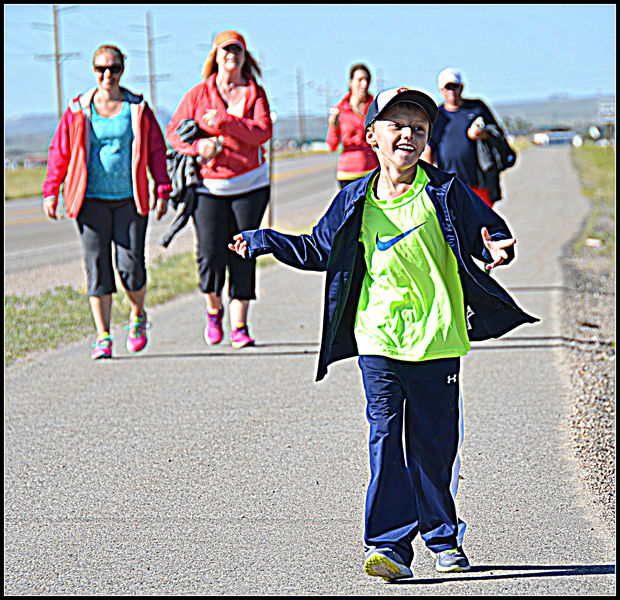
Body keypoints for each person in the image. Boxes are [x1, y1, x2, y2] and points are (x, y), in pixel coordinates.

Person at [229, 87, 539, 581]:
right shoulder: (355, 200)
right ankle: (390, 546)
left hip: (438, 336)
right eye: (396, 125)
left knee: (434, 447)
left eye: (418, 128)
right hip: (377, 338)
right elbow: (319, 248)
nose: (408, 135)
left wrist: (499, 247)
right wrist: (267, 240)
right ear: (372, 136)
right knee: (386, 439)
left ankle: (442, 534)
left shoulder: (445, 191)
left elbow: (491, 228)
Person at [42, 44, 171, 360]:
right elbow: (60, 152)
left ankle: (137, 315)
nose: (107, 75)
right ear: (93, 70)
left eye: (113, 68)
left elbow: (156, 150)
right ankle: (103, 335)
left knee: (131, 267)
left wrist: (163, 188)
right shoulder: (78, 109)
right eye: (101, 68)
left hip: (130, 199)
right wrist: (51, 189)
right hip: (90, 201)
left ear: (122, 70)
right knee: (97, 267)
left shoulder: (137, 108)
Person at [166, 30, 272, 349]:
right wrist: (198, 146)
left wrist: (225, 123)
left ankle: (240, 326)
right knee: (210, 254)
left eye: (237, 50)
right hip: (208, 188)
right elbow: (173, 133)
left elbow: (262, 133)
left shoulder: (254, 93)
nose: (231, 55)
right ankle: (214, 310)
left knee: (243, 251)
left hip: (251, 184)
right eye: (226, 50)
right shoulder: (199, 93)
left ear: (244, 55)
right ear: (215, 55)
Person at [421, 68, 509, 207]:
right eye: (447, 88)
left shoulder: (477, 108)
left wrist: (483, 135)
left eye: (454, 86)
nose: (452, 92)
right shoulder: (437, 116)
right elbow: (429, 148)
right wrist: (432, 180)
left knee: (483, 223)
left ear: (461, 87)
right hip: (449, 185)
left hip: (479, 182)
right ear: (441, 90)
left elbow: (498, 135)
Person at [326, 63, 379, 189]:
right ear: (351, 82)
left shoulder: (375, 107)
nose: (364, 84)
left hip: (371, 170)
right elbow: (331, 145)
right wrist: (332, 124)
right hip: (347, 173)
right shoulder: (340, 109)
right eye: (360, 80)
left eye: (367, 80)